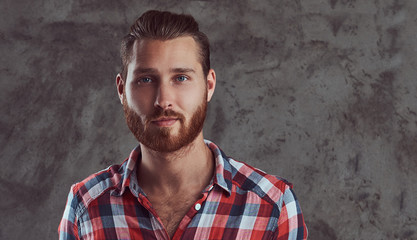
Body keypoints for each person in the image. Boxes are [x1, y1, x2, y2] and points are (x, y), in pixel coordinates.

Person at [58, 10, 307, 240]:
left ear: (209, 85)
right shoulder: (86, 207)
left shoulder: (273, 207)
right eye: (145, 79)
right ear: (122, 90)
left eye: (181, 78)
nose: (163, 100)